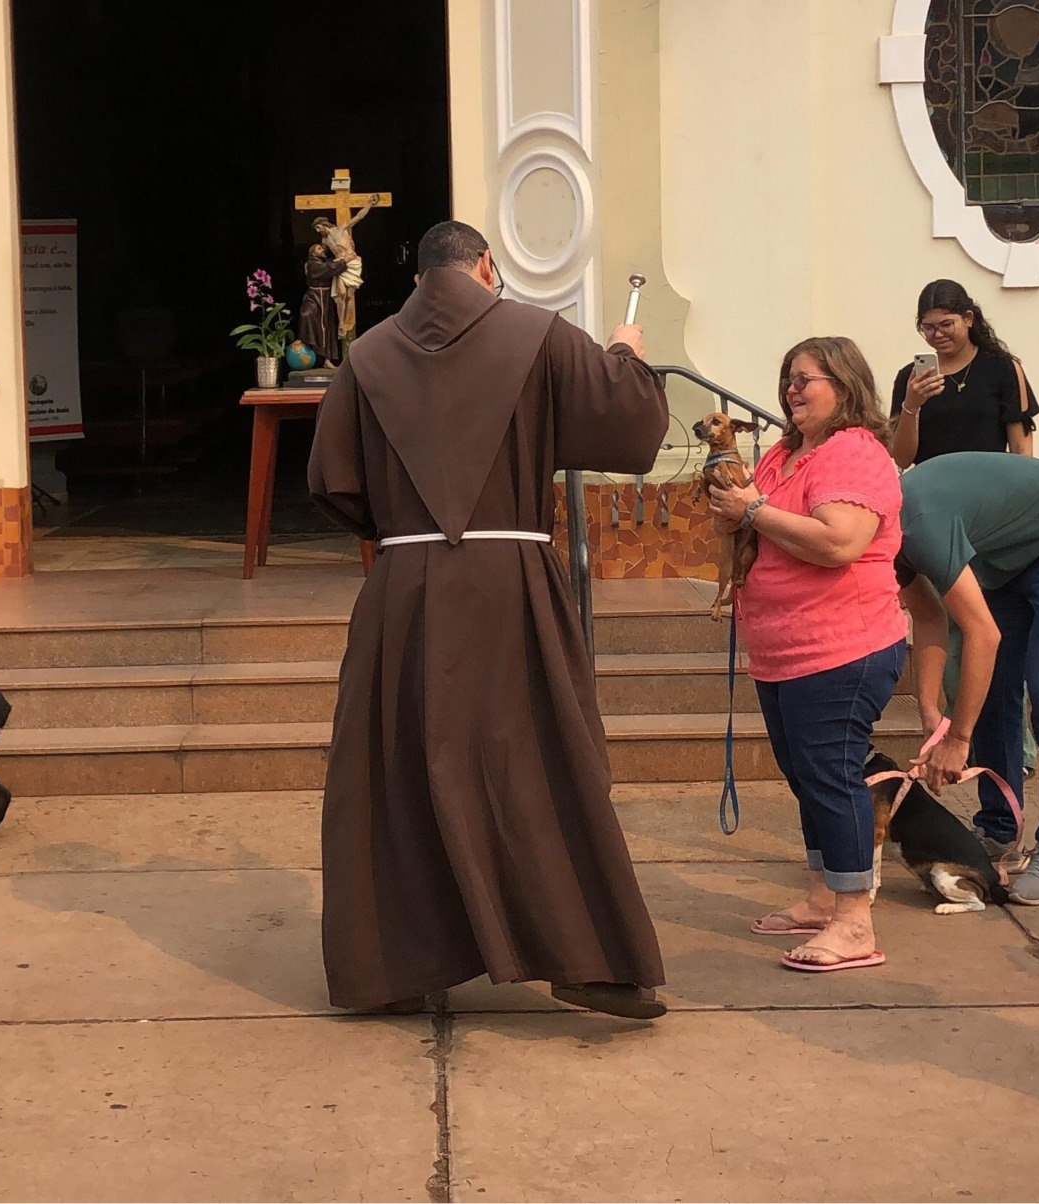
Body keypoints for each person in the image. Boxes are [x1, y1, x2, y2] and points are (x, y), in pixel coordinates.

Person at [306, 219, 670, 1019]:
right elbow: (633, 426)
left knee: (396, 769)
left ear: (417, 277)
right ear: (485, 266)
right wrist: (625, 357)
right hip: (509, 581)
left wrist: (410, 530)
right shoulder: (539, 334)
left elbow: (333, 483)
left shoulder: (366, 356)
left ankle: (391, 967)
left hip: (403, 584)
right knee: (538, 762)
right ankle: (586, 960)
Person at [703, 337, 904, 973]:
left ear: (844, 387)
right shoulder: (785, 455)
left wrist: (753, 509)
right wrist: (732, 509)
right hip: (786, 649)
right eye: (789, 379)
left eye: (807, 379)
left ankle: (853, 921)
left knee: (831, 772)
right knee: (807, 773)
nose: (792, 390)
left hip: (843, 646)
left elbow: (840, 542)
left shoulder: (852, 453)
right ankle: (824, 897)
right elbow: (745, 524)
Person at [893, 451, 1039, 905]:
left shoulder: (916, 523)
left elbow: (982, 632)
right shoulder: (881, 536)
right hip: (1005, 555)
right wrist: (932, 716)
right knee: (991, 691)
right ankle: (1000, 831)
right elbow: (928, 617)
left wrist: (958, 740)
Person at [887, 278, 1039, 470]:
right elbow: (902, 459)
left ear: (968, 318)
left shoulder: (1002, 368)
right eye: (928, 327)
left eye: (946, 324)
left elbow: (1021, 449)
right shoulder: (910, 379)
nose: (938, 334)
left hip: (990, 487)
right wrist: (911, 405)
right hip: (931, 489)